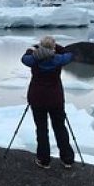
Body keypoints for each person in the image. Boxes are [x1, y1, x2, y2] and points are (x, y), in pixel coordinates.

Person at [21, 35, 75, 169]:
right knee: (60, 128)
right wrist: (57, 47)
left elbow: (24, 58)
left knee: (41, 129)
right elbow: (69, 55)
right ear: (53, 48)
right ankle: (67, 159)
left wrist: (32, 49)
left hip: (37, 98)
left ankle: (44, 160)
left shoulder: (33, 59)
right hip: (55, 99)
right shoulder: (58, 59)